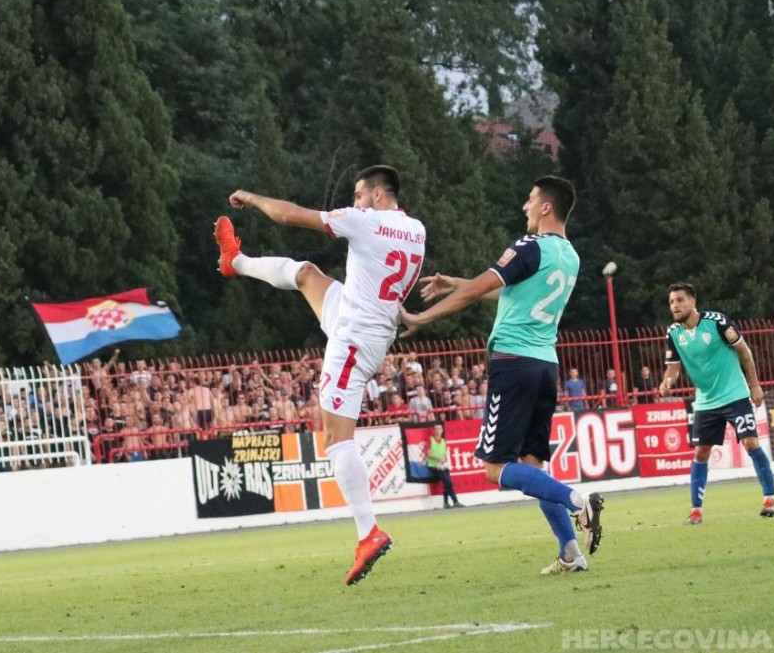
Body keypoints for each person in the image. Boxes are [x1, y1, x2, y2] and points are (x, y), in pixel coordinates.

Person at [214, 164, 424, 585]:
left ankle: (368, 533)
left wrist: (252, 199)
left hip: (353, 338)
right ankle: (235, 261)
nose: (355, 202)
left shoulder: (367, 222)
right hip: (359, 315)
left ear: (379, 196)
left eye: (360, 195)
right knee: (307, 273)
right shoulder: (416, 229)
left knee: (335, 438)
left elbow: (292, 215)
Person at [399, 175, 604, 575]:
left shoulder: (530, 245)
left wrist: (422, 317)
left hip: (513, 365)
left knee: (494, 469)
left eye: (530, 200)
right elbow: (510, 290)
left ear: (546, 207)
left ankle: (577, 501)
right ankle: (570, 553)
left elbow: (481, 289)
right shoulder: (570, 256)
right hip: (546, 366)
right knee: (533, 465)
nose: (524, 207)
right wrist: (455, 283)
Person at [657, 283, 774, 524]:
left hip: (735, 394)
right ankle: (695, 511)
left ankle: (770, 500)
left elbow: (744, 352)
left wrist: (754, 385)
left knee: (750, 442)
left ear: (693, 302)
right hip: (705, 401)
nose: (675, 306)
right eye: (672, 302)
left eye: (680, 300)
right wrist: (666, 382)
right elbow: (673, 369)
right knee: (701, 452)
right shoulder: (673, 333)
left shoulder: (718, 322)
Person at [426, 422, 462, 508]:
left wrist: (444, 459)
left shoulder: (443, 441)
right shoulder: (430, 440)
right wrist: (439, 458)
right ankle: (455, 501)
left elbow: (445, 453)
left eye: (440, 429)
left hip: (443, 465)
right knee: (448, 482)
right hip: (434, 467)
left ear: (442, 430)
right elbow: (429, 453)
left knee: (447, 483)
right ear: (434, 430)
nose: (438, 431)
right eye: (436, 429)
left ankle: (446, 503)